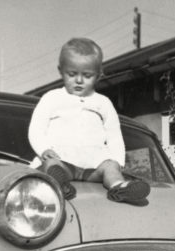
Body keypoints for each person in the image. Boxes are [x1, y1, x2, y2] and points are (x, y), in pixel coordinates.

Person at [28, 37, 150, 203]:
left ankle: (119, 187)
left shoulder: (103, 103)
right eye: (72, 74)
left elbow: (113, 134)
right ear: (61, 71)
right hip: (63, 160)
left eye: (87, 75)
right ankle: (59, 185)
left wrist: (117, 160)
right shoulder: (51, 98)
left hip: (93, 166)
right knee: (51, 164)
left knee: (110, 167)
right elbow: (36, 128)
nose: (79, 80)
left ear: (98, 76)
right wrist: (43, 149)